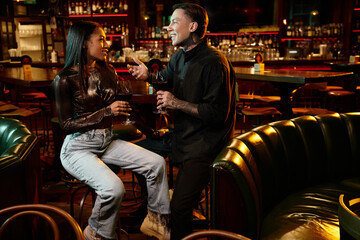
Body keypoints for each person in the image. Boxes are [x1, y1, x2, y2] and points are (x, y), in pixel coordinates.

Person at [53, 21, 170, 240]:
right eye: (101, 39)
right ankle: (95, 232)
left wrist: (151, 132)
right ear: (84, 43)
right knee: (114, 189)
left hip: (106, 141)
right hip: (77, 148)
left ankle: (155, 221)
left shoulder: (107, 70)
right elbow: (66, 125)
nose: (107, 43)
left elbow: (126, 108)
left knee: (156, 164)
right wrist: (107, 111)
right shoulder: (63, 79)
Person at [128, 3, 236, 239]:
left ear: (193, 26)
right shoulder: (179, 57)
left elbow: (218, 114)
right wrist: (150, 76)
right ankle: (157, 208)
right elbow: (164, 80)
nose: (168, 27)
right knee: (135, 155)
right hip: (181, 135)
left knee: (179, 210)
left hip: (204, 145)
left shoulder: (214, 63)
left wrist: (176, 103)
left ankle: (174, 213)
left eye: (175, 21)